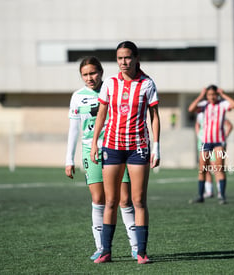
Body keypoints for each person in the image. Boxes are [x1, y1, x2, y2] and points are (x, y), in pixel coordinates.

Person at [90, 41, 160, 264]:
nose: (123, 62)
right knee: (111, 201)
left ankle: (141, 252)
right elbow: (101, 114)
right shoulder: (109, 83)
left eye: (127, 57)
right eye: (120, 58)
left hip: (138, 148)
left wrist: (156, 148)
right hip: (112, 146)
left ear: (136, 58)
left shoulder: (147, 84)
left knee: (138, 200)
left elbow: (155, 117)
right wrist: (94, 143)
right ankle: (106, 251)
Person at [65, 56, 138, 261]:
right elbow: (74, 129)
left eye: (93, 73)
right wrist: (68, 160)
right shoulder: (77, 97)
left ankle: (135, 246)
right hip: (92, 153)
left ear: (101, 72)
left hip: (117, 149)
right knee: (99, 199)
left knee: (124, 199)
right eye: (85, 74)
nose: (90, 78)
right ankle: (101, 247)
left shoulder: (114, 88)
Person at [187, 85, 234, 205]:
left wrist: (223, 94)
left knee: (219, 168)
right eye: (209, 95)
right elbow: (191, 109)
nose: (212, 97)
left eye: (214, 94)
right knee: (202, 169)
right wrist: (200, 96)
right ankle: (200, 195)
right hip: (206, 141)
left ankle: (222, 195)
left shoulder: (223, 104)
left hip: (219, 141)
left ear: (217, 94)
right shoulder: (204, 105)